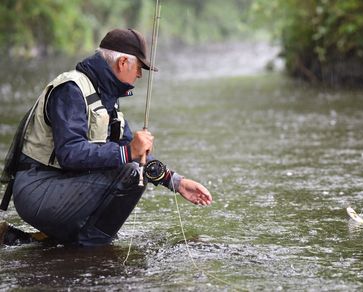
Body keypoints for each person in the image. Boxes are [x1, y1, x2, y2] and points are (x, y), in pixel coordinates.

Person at [0, 28, 212, 246]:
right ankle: (89, 248)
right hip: (37, 189)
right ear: (122, 63)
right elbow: (70, 154)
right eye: (139, 68)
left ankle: (53, 242)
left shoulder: (106, 97)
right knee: (132, 174)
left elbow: (134, 154)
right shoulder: (71, 90)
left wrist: (175, 182)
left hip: (62, 185)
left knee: (132, 168)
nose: (140, 75)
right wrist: (128, 151)